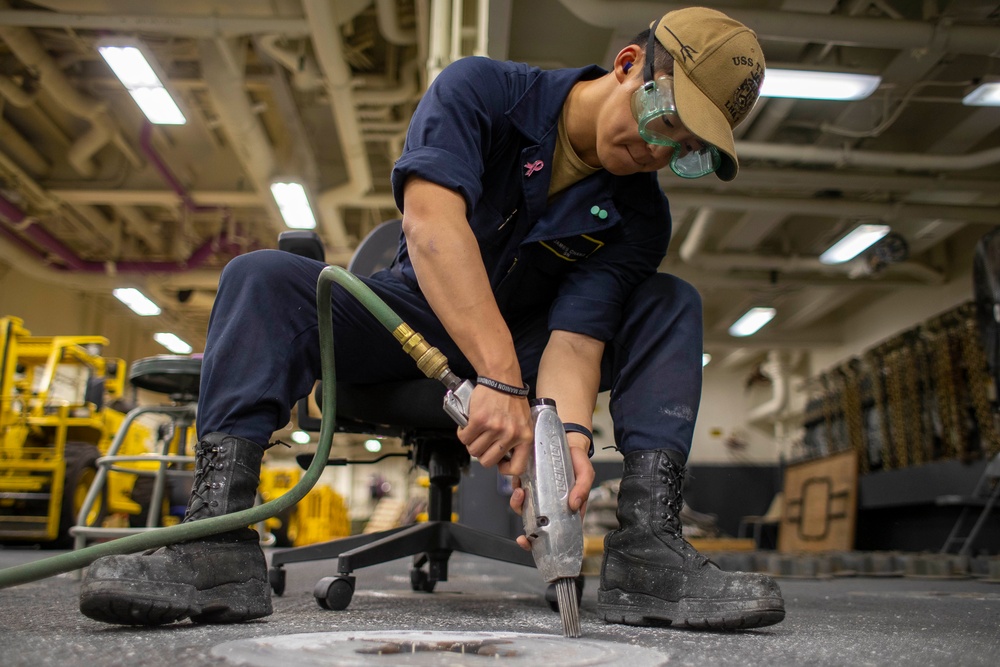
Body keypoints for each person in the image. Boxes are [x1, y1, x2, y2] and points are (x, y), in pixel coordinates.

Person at [79, 6, 783, 630]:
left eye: (685, 151)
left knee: (669, 301)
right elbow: (430, 222)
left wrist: (560, 444)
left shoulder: (638, 214)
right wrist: (501, 379)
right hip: (405, 325)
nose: (660, 153)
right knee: (263, 275)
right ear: (630, 66)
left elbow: (576, 339)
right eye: (666, 123)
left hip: (531, 354)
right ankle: (217, 539)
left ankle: (647, 550)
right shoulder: (480, 90)